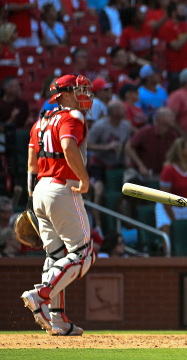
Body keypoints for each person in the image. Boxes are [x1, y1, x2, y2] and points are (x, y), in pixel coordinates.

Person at [22, 74, 96, 336]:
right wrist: (84, 179)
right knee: (84, 253)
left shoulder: (40, 122)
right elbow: (68, 146)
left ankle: (58, 320)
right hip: (63, 187)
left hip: (41, 188)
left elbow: (31, 162)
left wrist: (32, 199)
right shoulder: (71, 117)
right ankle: (40, 294)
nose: (85, 94)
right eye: (79, 90)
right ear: (63, 94)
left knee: (55, 256)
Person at [86, 100, 131, 231]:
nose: (125, 110)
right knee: (98, 191)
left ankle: (126, 224)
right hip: (99, 164)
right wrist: (106, 147)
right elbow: (87, 144)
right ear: (114, 112)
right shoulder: (100, 126)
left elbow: (127, 145)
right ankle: (98, 224)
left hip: (117, 164)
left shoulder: (126, 126)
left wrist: (127, 160)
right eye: (122, 108)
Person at [156, 137, 187, 240]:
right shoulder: (169, 169)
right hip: (167, 207)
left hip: (185, 206)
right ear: (181, 151)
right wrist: (174, 219)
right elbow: (164, 198)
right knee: (168, 236)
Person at [125, 107, 179, 178]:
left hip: (159, 173)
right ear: (161, 119)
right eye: (170, 116)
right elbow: (128, 146)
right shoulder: (146, 131)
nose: (173, 119)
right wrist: (141, 165)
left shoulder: (172, 135)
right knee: (131, 180)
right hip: (139, 171)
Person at [157, 2, 187, 92]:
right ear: (173, 13)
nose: (184, 13)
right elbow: (175, 46)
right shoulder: (168, 27)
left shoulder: (185, 25)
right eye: (181, 11)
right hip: (176, 69)